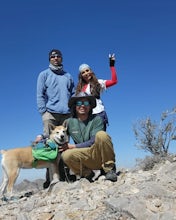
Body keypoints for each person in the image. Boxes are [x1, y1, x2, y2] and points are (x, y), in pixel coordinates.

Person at [36, 49, 75, 188]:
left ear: (61, 58)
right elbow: (40, 94)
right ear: (49, 59)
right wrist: (43, 111)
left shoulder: (68, 76)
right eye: (53, 56)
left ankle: (65, 174)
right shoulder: (44, 75)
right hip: (50, 114)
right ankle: (50, 179)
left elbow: (73, 93)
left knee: (64, 145)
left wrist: (72, 110)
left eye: (58, 56)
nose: (56, 58)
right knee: (49, 145)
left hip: (66, 114)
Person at [60, 92, 117, 182]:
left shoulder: (97, 119)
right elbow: (58, 133)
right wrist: (43, 137)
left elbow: (92, 141)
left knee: (102, 135)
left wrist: (73, 146)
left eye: (86, 103)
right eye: (79, 103)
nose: (82, 106)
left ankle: (109, 169)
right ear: (74, 106)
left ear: (90, 106)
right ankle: (87, 174)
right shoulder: (69, 122)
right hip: (84, 156)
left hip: (97, 154)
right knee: (66, 155)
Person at [75, 54, 118, 130]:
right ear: (81, 75)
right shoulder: (80, 89)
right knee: (90, 140)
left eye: (87, 70)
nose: (86, 73)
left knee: (100, 138)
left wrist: (112, 66)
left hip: (99, 114)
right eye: (83, 72)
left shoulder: (98, 83)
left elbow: (114, 81)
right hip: (87, 116)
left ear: (91, 71)